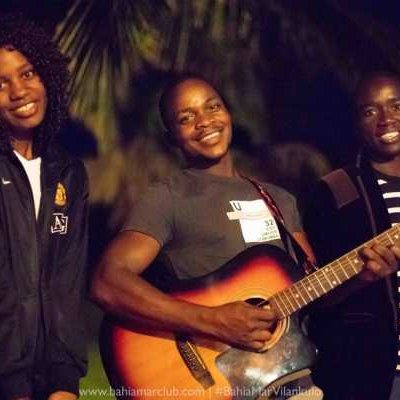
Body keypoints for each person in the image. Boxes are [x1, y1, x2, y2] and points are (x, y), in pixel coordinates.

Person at [91, 74, 398, 400]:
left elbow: (312, 291)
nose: (204, 121)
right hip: (215, 383)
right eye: (186, 118)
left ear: (228, 113)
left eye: (212, 107)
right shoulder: (167, 197)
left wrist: (361, 276)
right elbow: (107, 282)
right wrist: (211, 321)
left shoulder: (279, 200)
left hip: (289, 378)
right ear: (171, 137)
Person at [0, 14, 89, 400]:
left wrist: (65, 382)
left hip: (53, 384)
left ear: (47, 77)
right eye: (0, 83)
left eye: (28, 73)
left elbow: (68, 282)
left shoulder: (69, 172)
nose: (19, 91)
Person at [303, 72, 400, 400]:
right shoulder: (335, 191)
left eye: (396, 106)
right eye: (370, 111)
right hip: (373, 374)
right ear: (356, 123)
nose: (386, 119)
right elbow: (315, 297)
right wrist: (363, 277)